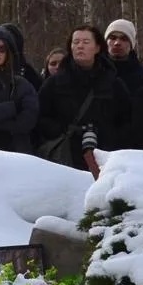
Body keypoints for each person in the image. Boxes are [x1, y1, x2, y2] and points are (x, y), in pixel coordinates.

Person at [35, 25, 132, 174]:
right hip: (65, 157)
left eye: (86, 42)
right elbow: (40, 116)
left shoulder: (113, 83)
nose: (80, 46)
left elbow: (127, 120)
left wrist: (108, 137)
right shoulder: (54, 83)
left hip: (105, 158)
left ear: (97, 47)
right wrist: (65, 131)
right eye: (76, 42)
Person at [105, 19, 143, 96]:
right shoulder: (94, 72)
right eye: (113, 38)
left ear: (131, 44)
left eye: (124, 39)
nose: (117, 43)